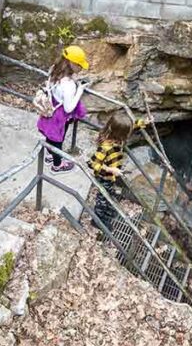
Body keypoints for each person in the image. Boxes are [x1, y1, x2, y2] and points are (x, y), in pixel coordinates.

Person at [36, 45, 89, 174]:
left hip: (51, 107)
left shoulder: (54, 70)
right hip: (59, 115)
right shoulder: (69, 84)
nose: (81, 68)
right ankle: (57, 165)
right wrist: (79, 91)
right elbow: (68, 107)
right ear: (72, 64)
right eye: (79, 65)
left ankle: (50, 155)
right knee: (58, 140)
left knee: (50, 136)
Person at [88, 112, 135, 229]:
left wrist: (146, 122)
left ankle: (107, 211)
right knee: (102, 198)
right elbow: (92, 163)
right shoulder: (105, 147)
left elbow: (134, 126)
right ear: (120, 133)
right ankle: (97, 220)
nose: (129, 135)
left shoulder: (118, 139)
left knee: (108, 192)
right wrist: (111, 169)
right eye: (127, 133)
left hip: (111, 176)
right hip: (104, 177)